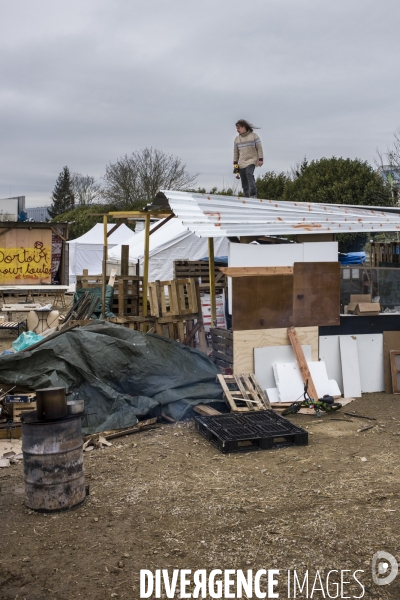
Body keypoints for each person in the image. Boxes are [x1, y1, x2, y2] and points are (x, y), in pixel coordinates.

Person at [233, 119, 264, 198]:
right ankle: (246, 196)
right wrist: (235, 163)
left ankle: (253, 192)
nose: (237, 130)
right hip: (242, 162)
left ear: (244, 127)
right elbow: (236, 152)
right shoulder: (237, 139)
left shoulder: (254, 136)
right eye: (236, 129)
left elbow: (259, 148)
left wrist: (260, 159)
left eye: (238, 128)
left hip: (252, 159)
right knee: (244, 180)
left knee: (249, 173)